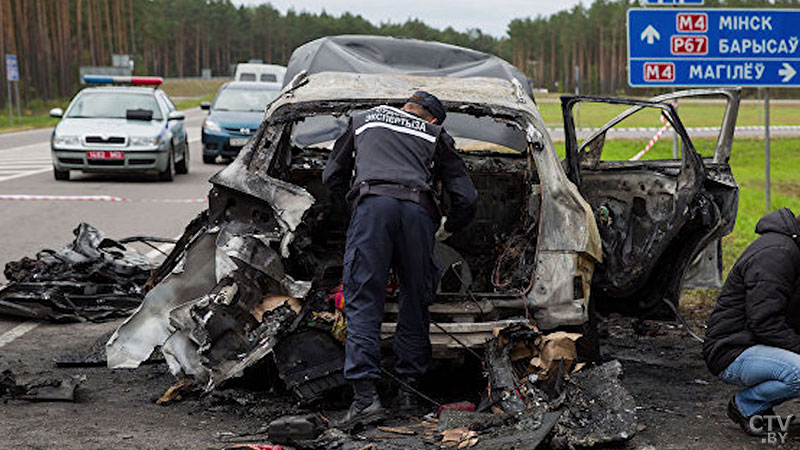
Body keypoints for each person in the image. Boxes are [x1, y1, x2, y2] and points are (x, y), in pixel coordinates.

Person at [322, 91, 478, 429]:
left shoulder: (364, 120)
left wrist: (356, 211)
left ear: (406, 108)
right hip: (418, 212)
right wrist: (448, 228)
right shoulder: (436, 135)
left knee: (363, 301)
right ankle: (408, 395)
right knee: (415, 299)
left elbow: (332, 175)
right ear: (434, 118)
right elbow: (466, 197)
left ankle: (366, 399)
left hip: (372, 204)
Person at [704, 207, 800, 436]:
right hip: (732, 351)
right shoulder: (778, 254)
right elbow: (764, 321)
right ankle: (745, 406)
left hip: (754, 344)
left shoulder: (792, 249)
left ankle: (762, 413)